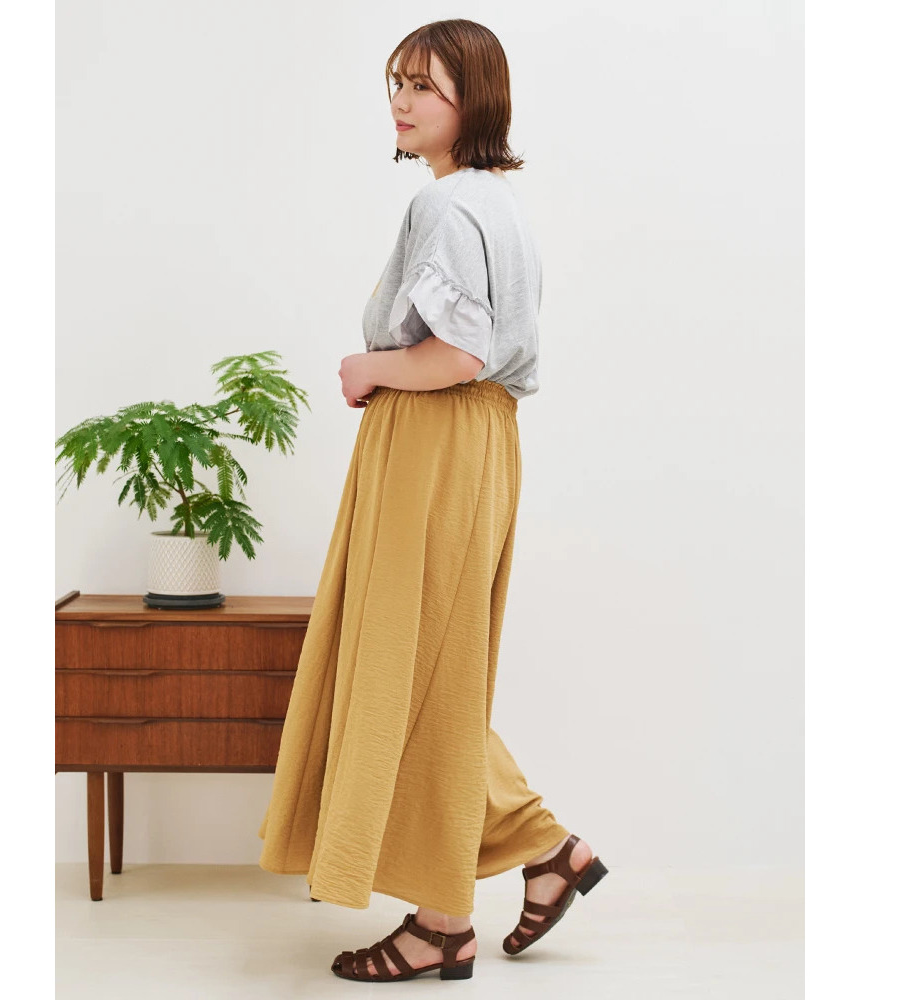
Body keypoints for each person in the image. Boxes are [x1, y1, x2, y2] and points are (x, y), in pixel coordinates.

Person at [257, 19, 608, 982]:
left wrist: (368, 366)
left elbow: (459, 352)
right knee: (429, 669)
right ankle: (533, 859)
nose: (403, 101)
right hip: (476, 442)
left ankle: (449, 918)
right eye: (398, 82)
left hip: (437, 440)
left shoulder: (449, 205)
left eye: (426, 86)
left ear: (474, 99)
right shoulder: (497, 202)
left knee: (403, 670)